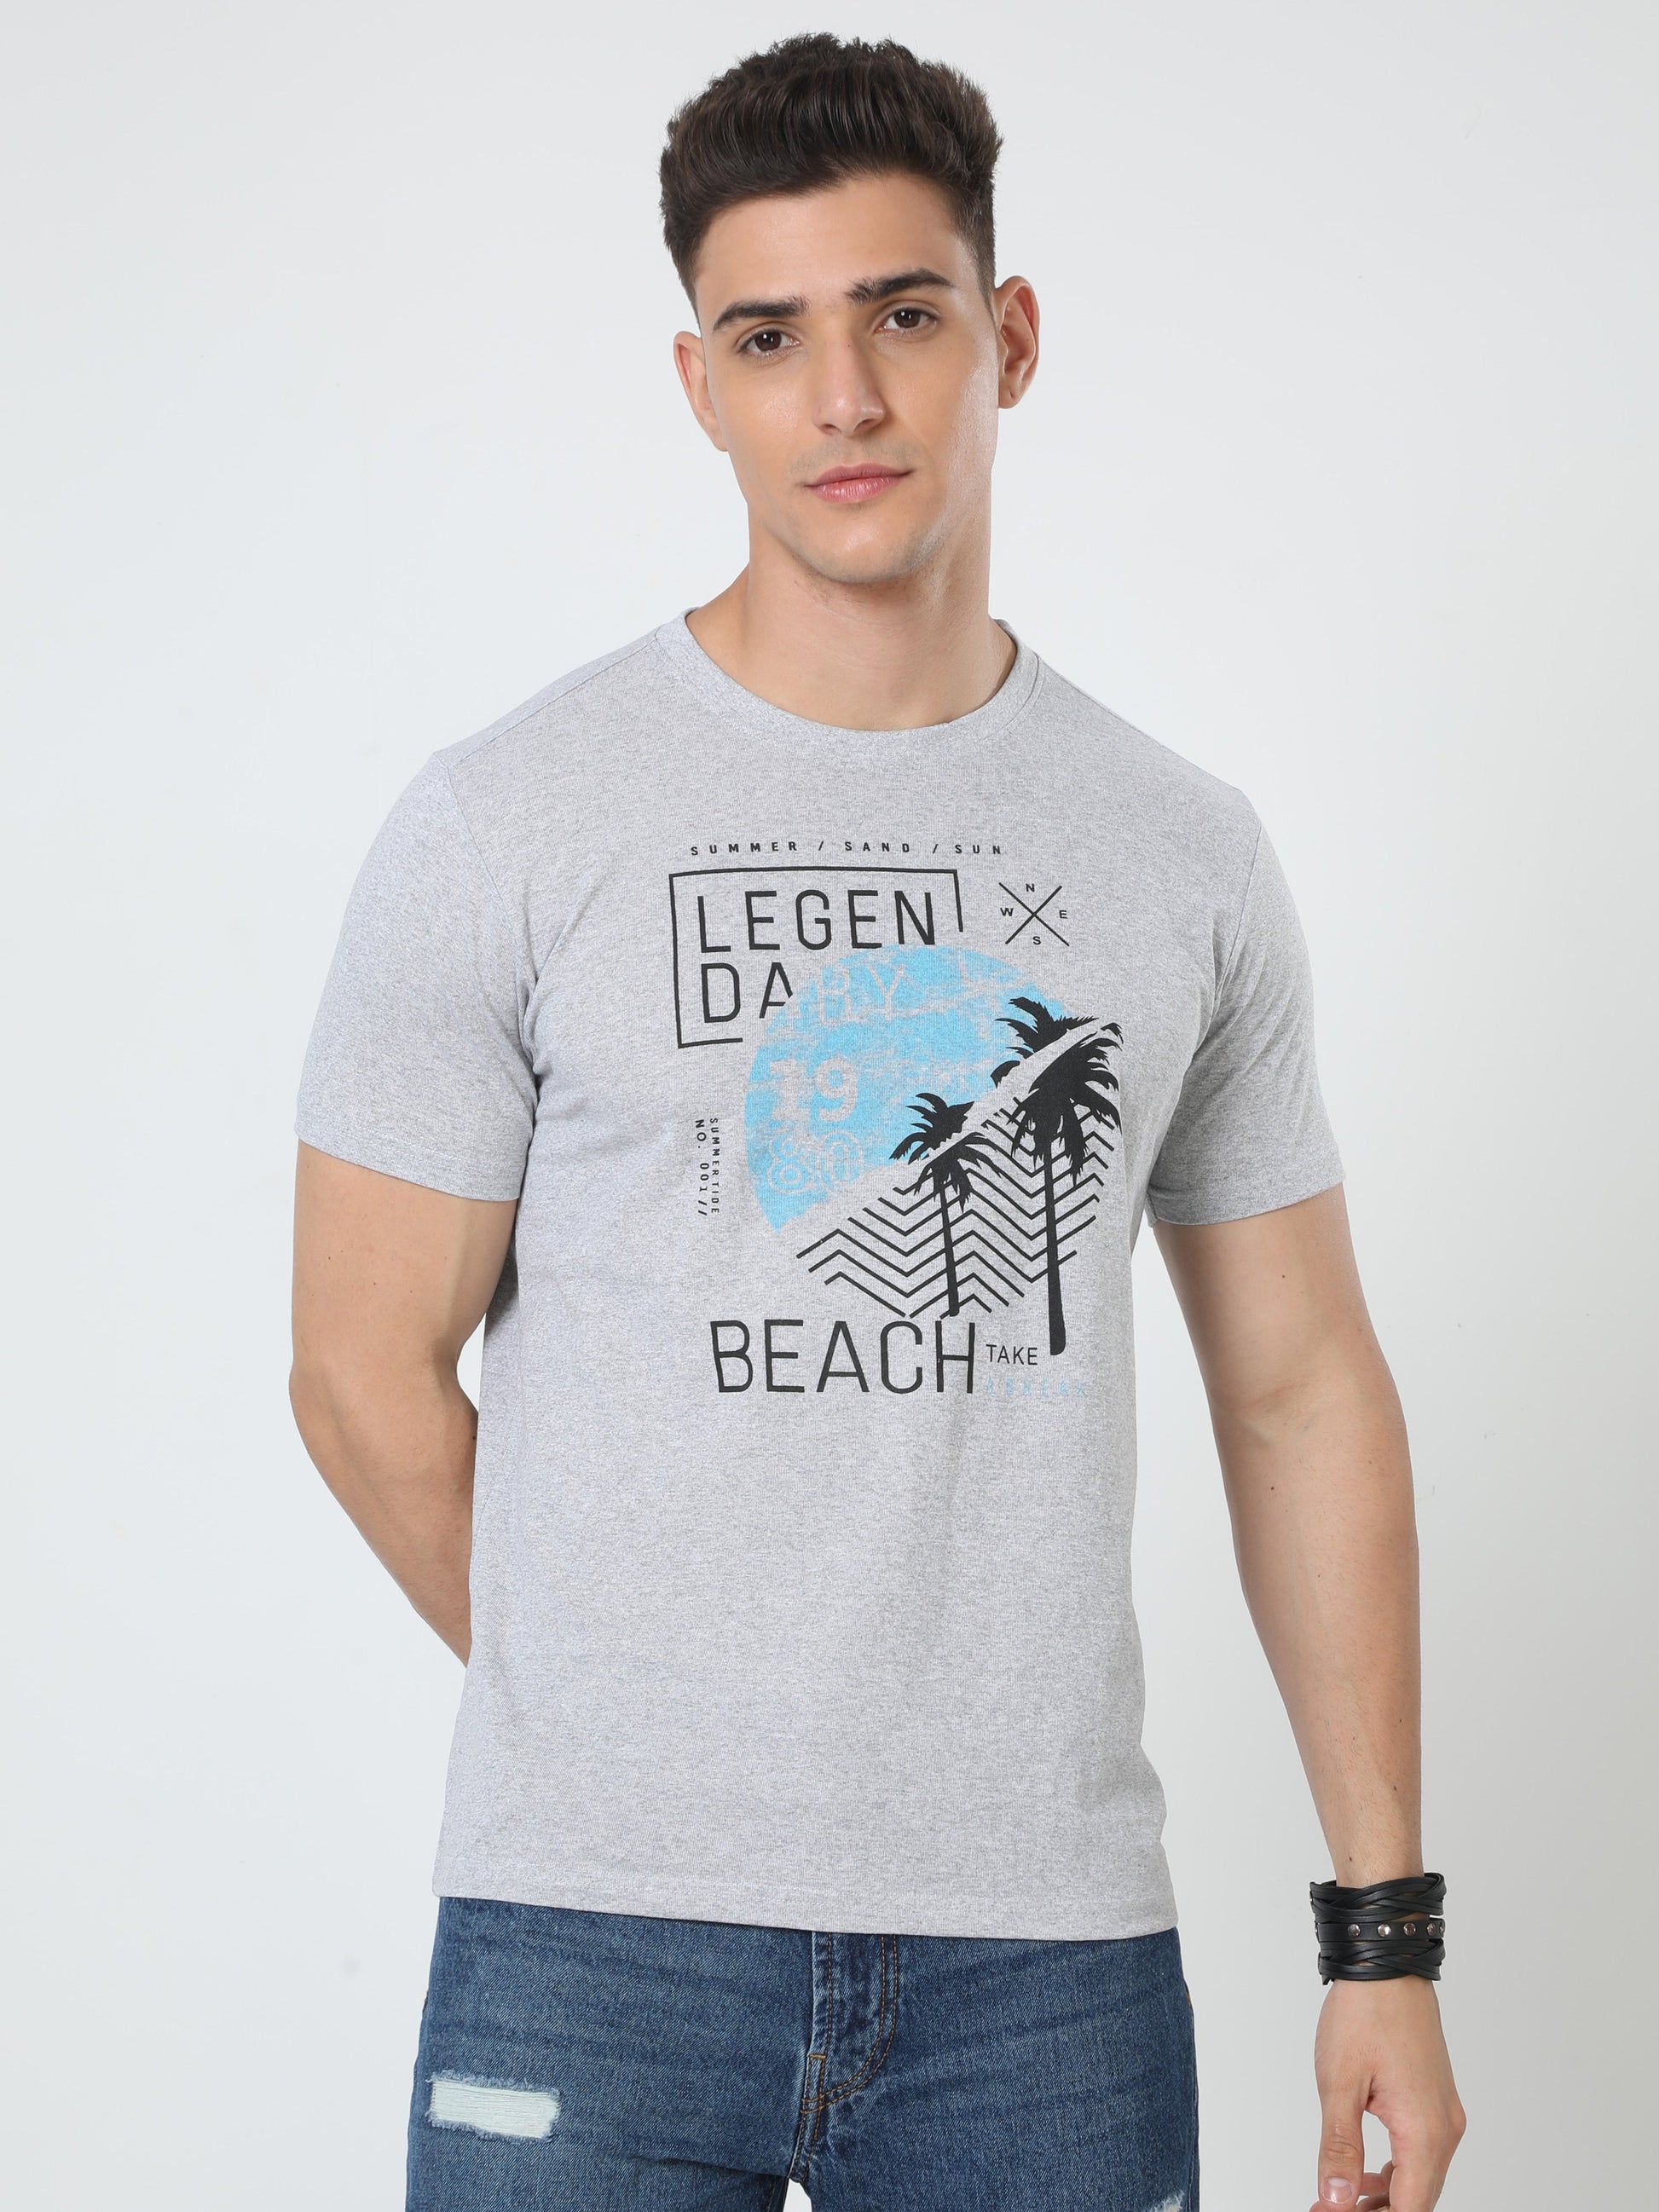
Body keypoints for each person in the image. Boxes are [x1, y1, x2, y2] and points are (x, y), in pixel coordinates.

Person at [289, 32, 1465, 2212]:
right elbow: (360, 1372)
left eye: (900, 315)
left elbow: (1301, 1386)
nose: (841, 396)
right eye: (768, 338)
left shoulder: (1177, 851)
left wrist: (1381, 1937)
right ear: (699, 383)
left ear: (1006, 338)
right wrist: (630, 1721)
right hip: (596, 1946)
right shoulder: (507, 823)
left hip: (1045, 1970)